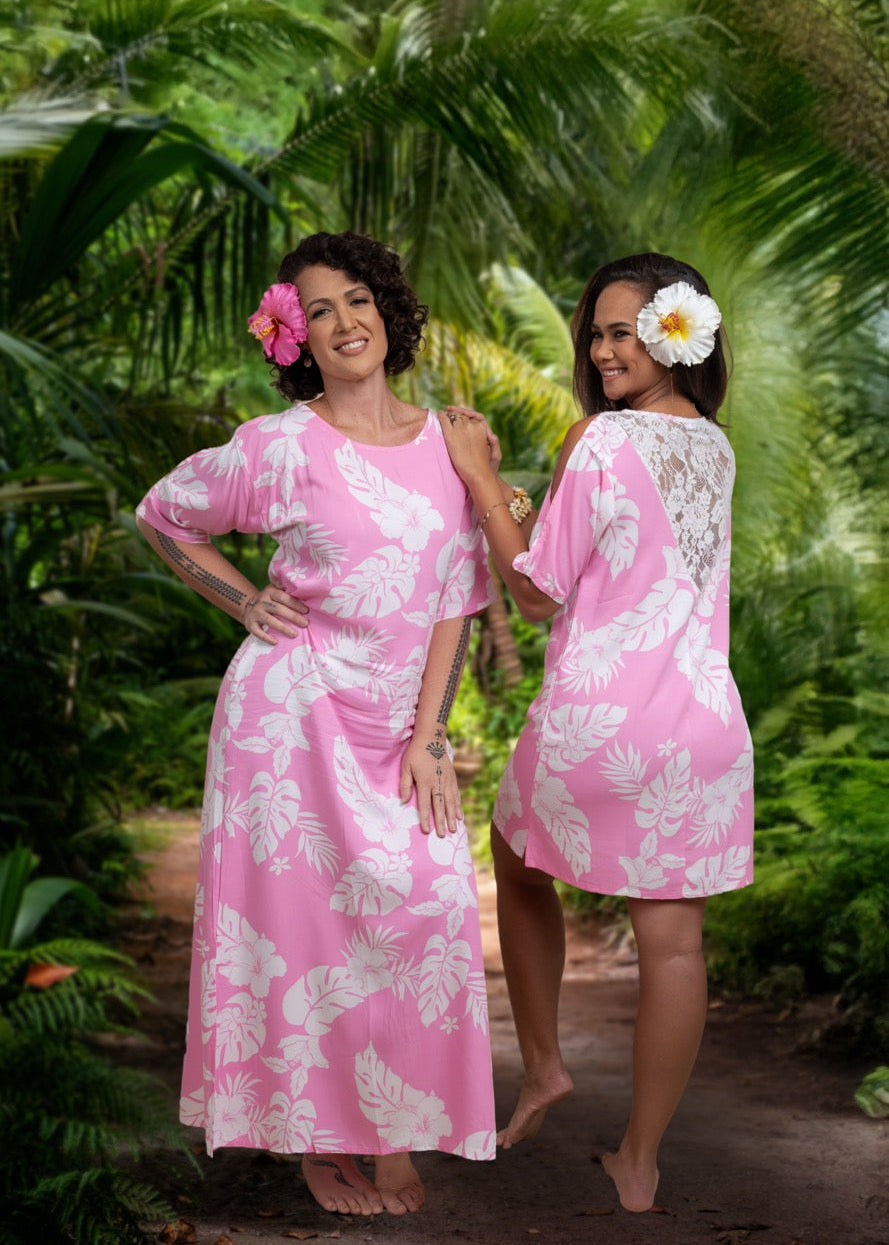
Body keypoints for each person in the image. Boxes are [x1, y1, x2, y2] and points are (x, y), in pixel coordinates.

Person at [136, 230, 497, 1217]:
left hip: (393, 728)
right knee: (304, 942)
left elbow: (457, 597)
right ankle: (316, 1140)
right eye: (320, 310)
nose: (344, 322)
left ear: (387, 308)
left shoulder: (446, 443)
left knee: (420, 905)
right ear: (295, 337)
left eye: (357, 300)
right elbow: (165, 515)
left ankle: (393, 1124)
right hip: (285, 723)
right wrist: (242, 601)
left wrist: (429, 737)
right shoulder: (277, 446)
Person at [439, 252, 754, 1213]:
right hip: (702, 727)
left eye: (625, 330)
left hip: (600, 718)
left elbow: (534, 594)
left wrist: (480, 477)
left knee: (513, 856)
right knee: (672, 946)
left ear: (676, 335)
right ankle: (640, 1162)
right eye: (598, 329)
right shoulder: (715, 447)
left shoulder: (602, 439)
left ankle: (543, 1066)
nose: (602, 346)